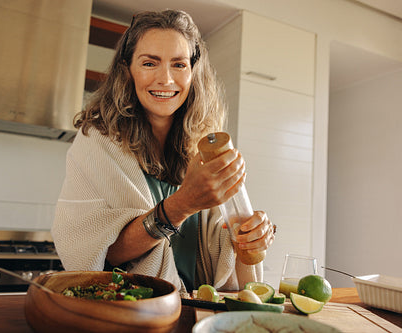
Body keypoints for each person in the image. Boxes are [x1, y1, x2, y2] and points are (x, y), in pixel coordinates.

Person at [51, 9, 275, 295]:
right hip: (136, 311)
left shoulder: (204, 148)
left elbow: (226, 239)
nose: (166, 79)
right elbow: (100, 253)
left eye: (179, 65)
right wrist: (182, 204)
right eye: (149, 63)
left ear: (193, 72)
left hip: (200, 311)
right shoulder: (96, 142)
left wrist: (253, 234)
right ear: (127, 70)